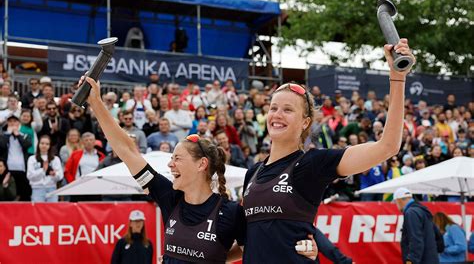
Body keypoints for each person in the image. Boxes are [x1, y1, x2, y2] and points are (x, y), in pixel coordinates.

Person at [81, 76, 318, 263]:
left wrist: (306, 248)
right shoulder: (169, 197)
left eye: (177, 159)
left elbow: (260, 248)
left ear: (201, 165)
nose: (170, 165)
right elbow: (128, 150)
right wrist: (96, 103)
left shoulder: (230, 212)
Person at [241, 39, 415, 263]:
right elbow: (244, 241)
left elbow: (387, 146)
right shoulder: (252, 174)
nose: (277, 114)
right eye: (273, 108)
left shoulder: (312, 164)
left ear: (305, 122)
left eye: (287, 109)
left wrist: (398, 77)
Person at [393, 187, 439, 264]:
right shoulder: (423, 210)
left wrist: (411, 260)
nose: (396, 205)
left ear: (399, 200)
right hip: (430, 258)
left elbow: (415, 239)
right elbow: (438, 236)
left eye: (395, 202)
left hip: (421, 260)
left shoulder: (411, 212)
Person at [27, 135, 64, 202]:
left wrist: (54, 174)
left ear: (50, 146)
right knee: (38, 210)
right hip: (37, 189)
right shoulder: (32, 159)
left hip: (52, 188)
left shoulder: (55, 159)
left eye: (47, 144)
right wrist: (43, 170)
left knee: (52, 210)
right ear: (38, 144)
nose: (44, 146)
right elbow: (30, 176)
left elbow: (60, 176)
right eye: (42, 143)